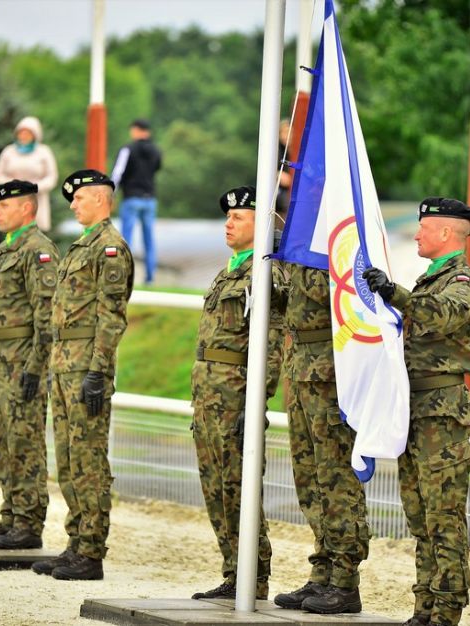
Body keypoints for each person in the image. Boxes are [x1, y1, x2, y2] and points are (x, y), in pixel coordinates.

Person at [362, 197, 470, 626]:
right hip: (414, 410)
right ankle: (424, 607)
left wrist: (392, 293)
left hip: (441, 415)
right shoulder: (429, 280)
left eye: (424, 227)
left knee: (443, 518)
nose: (416, 234)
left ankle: (447, 611)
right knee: (419, 518)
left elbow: (441, 315)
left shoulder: (464, 283)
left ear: (446, 233)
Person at [28, 169, 134, 581]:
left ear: (100, 200)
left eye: (79, 198)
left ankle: (91, 551)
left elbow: (112, 316)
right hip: (64, 364)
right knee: (68, 459)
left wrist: (99, 371)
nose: (72, 204)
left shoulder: (109, 248)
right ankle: (75, 542)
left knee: (88, 458)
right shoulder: (81, 246)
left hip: (86, 366)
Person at [189, 186, 285, 602]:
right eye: (227, 217)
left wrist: (256, 399)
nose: (228, 223)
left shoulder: (265, 273)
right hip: (209, 398)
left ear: (260, 225)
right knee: (215, 488)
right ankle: (233, 572)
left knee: (239, 489)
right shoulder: (228, 271)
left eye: (238, 217)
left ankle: (253, 577)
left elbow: (274, 342)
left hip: (235, 398)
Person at [271, 265, 371, 614]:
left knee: (336, 480)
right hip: (301, 370)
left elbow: (338, 297)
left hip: (330, 374)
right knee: (310, 482)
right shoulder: (301, 256)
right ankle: (323, 572)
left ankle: (345, 581)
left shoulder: (334, 249)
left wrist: (296, 263)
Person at [0, 179, 59, 550]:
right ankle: (10, 514)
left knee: (25, 442)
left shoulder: (37, 250)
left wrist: (36, 368)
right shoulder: (7, 249)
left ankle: (28, 521)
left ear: (26, 208)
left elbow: (46, 316)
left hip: (22, 362)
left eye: (3, 206)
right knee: (3, 441)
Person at [111, 118, 162, 285]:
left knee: (126, 238)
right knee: (149, 239)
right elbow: (157, 168)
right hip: (150, 198)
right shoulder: (156, 150)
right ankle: (150, 277)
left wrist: (111, 193)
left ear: (135, 130)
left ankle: (125, 274)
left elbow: (118, 173)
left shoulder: (128, 149)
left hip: (132, 197)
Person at [0, 116, 59, 232]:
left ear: (35, 135)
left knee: (34, 233)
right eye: (21, 133)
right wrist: (13, 186)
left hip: (37, 198)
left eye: (27, 133)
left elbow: (52, 177)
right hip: (12, 198)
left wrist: (34, 187)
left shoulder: (44, 152)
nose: (23, 136)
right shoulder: (8, 151)